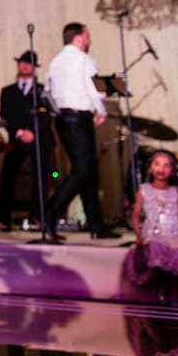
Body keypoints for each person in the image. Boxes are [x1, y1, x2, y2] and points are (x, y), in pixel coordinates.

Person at [43, 22, 121, 240]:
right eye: (87, 36)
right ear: (78, 38)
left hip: (62, 119)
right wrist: (101, 111)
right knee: (83, 171)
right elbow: (94, 88)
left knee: (88, 172)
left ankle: (96, 226)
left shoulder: (55, 62)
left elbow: (47, 91)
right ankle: (50, 211)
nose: (90, 41)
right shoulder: (84, 60)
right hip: (79, 118)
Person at [0, 51, 55, 231]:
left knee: (41, 178)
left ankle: (38, 215)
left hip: (40, 139)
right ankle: (3, 218)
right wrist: (19, 132)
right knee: (7, 177)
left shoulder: (42, 91)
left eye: (29, 63)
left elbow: (47, 117)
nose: (24, 66)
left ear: (35, 68)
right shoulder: (8, 91)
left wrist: (34, 132)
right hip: (17, 138)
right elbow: (5, 115)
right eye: (22, 62)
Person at [125, 149, 178, 303]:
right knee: (156, 255)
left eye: (166, 166)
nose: (161, 169)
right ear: (150, 168)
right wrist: (139, 236)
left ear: (172, 171)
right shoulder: (144, 190)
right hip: (153, 234)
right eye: (157, 164)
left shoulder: (176, 191)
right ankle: (161, 294)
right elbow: (135, 215)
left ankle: (175, 295)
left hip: (174, 233)